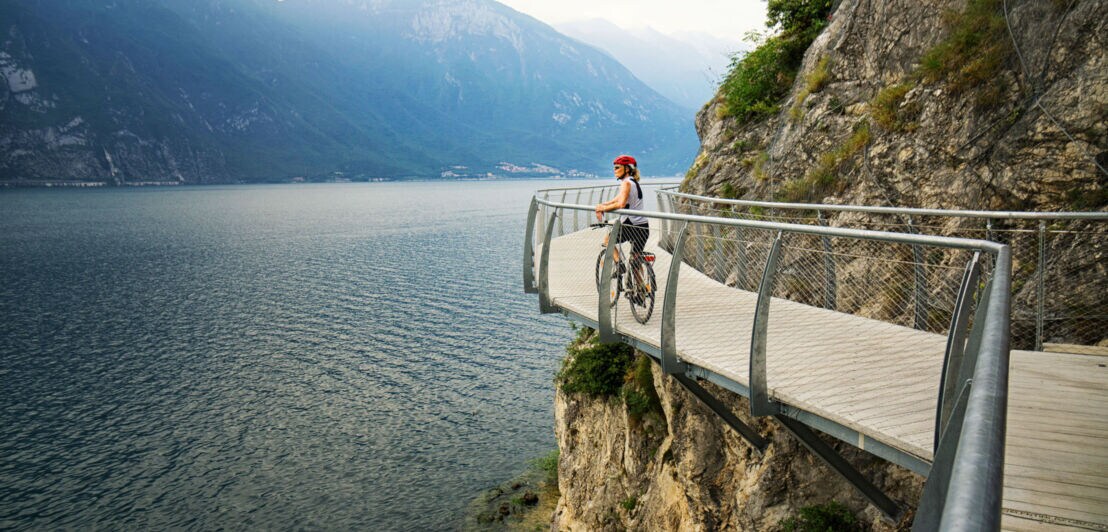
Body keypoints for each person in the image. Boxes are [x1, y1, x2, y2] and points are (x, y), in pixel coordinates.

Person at [595, 154, 650, 287]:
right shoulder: (633, 183)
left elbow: (620, 204)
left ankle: (620, 265)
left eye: (617, 167)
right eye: (614, 168)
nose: (614, 170)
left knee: (608, 240)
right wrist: (602, 205)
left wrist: (604, 208)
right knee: (635, 260)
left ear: (627, 169)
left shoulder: (626, 183)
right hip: (643, 226)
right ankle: (641, 290)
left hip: (630, 225)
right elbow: (616, 199)